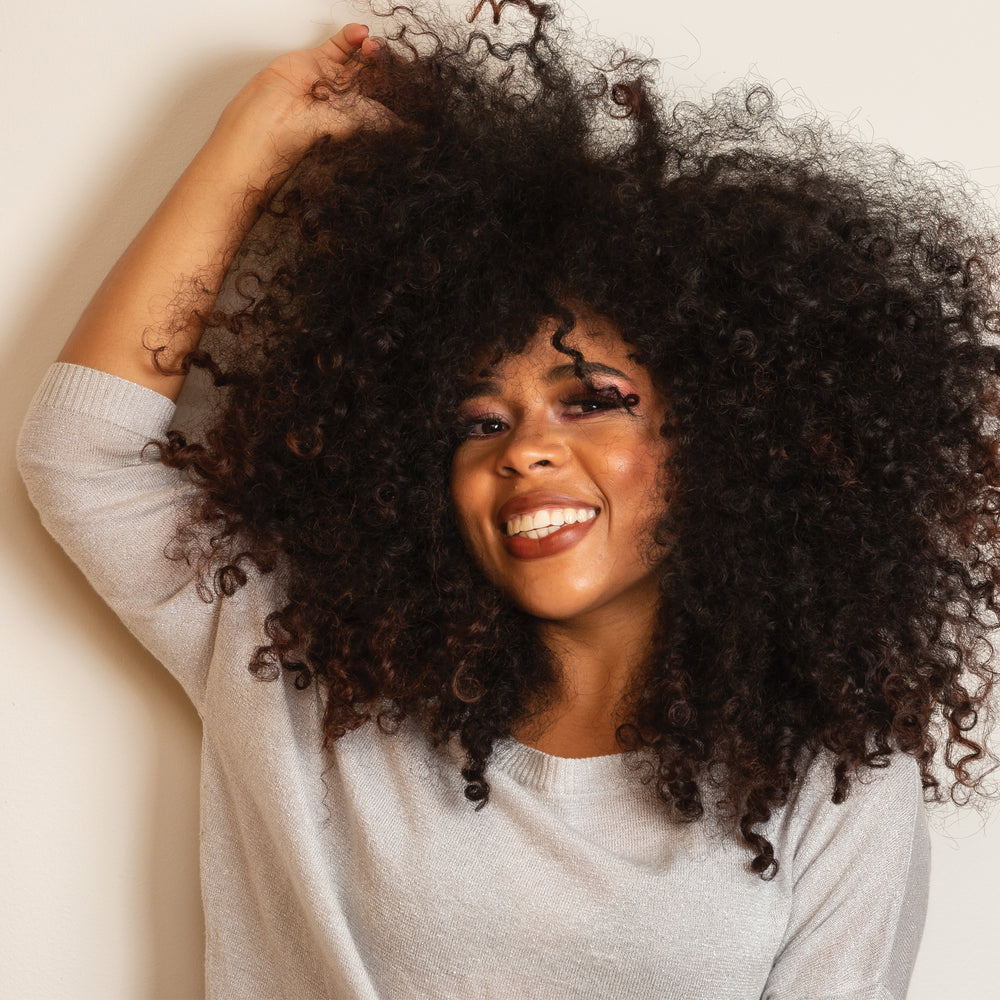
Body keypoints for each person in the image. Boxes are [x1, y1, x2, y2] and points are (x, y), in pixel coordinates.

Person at [17, 1, 1000, 996]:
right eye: (479, 421)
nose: (527, 450)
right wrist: (252, 144)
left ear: (718, 437)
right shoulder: (299, 664)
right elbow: (80, 456)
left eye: (591, 402)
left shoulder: (831, 775)